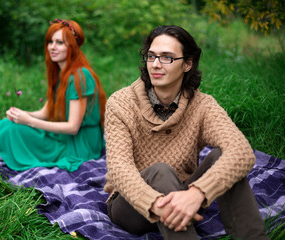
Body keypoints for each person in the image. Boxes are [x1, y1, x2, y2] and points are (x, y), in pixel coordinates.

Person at [103, 25, 268, 239]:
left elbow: (242, 151)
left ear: (187, 64)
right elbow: (119, 169)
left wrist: (198, 193)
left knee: (222, 157)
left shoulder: (203, 105)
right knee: (160, 170)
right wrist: (157, 204)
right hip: (132, 204)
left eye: (167, 58)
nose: (155, 64)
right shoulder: (120, 103)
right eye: (151, 56)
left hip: (185, 199)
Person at [0, 19, 107, 172]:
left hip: (79, 144)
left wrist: (30, 121)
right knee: (8, 124)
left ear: (72, 47)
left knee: (14, 131)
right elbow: (46, 113)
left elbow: (73, 127)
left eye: (60, 43)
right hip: (64, 137)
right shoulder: (61, 74)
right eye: (50, 42)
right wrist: (21, 115)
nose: (52, 47)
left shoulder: (80, 76)